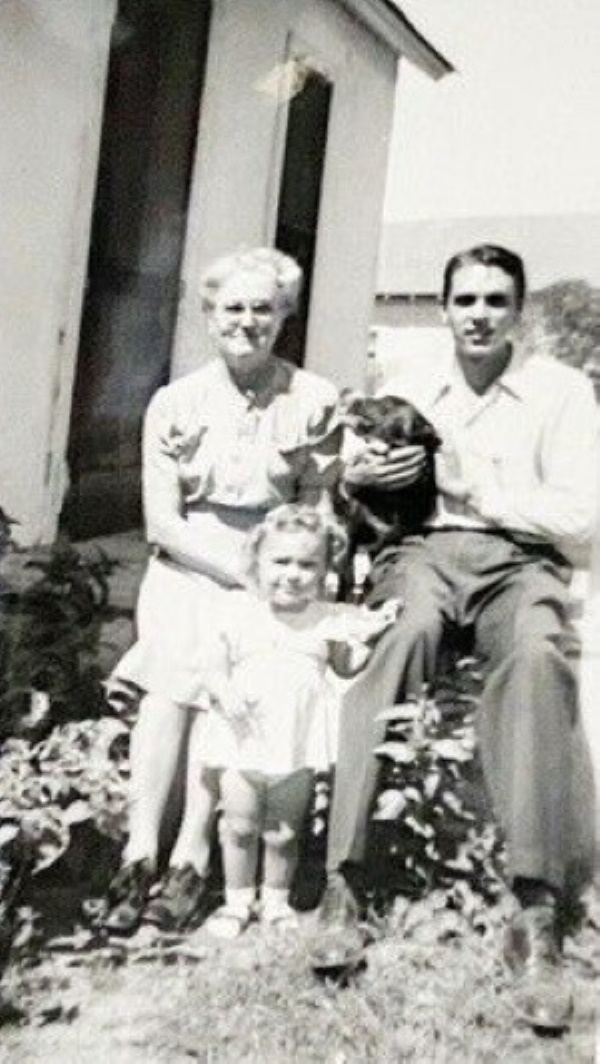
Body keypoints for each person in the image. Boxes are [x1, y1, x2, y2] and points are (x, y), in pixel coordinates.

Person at [315, 245, 599, 1029]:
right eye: (464, 299)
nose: (478, 314)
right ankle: (346, 883)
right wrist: (360, 480)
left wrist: (480, 490)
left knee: (540, 658)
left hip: (520, 561)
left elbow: (580, 519)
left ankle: (534, 911)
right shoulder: (407, 382)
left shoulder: (562, 392)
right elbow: (350, 482)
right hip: (422, 555)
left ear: (520, 309)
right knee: (401, 638)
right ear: (443, 307)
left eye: (495, 300)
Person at [102, 248, 341, 935]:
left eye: (263, 308)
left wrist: (276, 577)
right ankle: (140, 853)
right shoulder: (174, 403)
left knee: (228, 672)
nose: (248, 321)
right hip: (186, 562)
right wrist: (235, 569)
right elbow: (163, 522)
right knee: (175, 671)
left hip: (273, 573)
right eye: (232, 308)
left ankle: (192, 856)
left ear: (284, 317)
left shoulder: (315, 400)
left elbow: (318, 508)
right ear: (208, 317)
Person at [194, 504, 398, 939]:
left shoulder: (327, 618)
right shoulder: (238, 611)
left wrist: (370, 636)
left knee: (284, 831)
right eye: (281, 562)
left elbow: (346, 667)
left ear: (325, 569)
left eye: (308, 564)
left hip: (297, 740)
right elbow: (212, 667)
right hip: (242, 737)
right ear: (257, 563)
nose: (293, 574)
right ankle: (236, 900)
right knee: (239, 824)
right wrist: (225, 693)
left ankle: (275, 899)